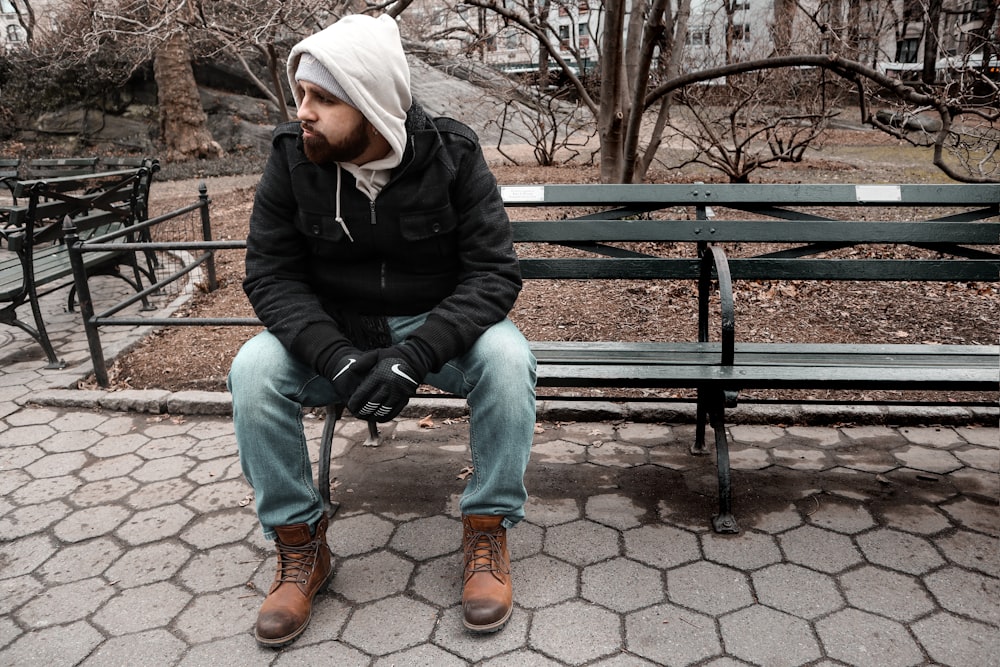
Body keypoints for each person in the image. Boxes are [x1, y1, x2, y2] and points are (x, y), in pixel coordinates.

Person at [226, 13, 537, 648]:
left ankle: (486, 529)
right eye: (301, 94)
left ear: (369, 102)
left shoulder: (452, 154)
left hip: (434, 326)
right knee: (253, 370)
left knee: (508, 359)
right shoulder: (292, 159)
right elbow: (271, 276)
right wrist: (335, 356)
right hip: (332, 328)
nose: (302, 112)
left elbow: (493, 274)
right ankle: (300, 544)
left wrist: (417, 354)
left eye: (322, 98)